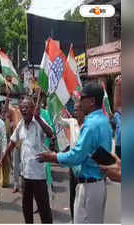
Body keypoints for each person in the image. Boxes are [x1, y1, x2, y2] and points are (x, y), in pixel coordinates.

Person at [38, 82, 113, 223]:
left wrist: (53, 157)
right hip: (93, 183)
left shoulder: (91, 124)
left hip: (91, 185)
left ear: (91, 101)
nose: (78, 102)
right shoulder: (102, 121)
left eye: (82, 98)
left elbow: (76, 156)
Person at [0, 97, 54, 224]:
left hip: (38, 176)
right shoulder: (21, 124)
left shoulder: (39, 121)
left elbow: (50, 133)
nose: (23, 110)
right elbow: (13, 141)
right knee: (26, 208)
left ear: (33, 109)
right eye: (22, 107)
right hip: (25, 175)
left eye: (26, 107)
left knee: (44, 209)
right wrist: (4, 156)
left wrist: (38, 118)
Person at [57, 99, 84, 223]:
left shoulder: (88, 125)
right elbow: (59, 121)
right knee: (73, 195)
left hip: (84, 167)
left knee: (82, 196)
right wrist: (56, 107)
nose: (75, 112)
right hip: (72, 166)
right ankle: (74, 219)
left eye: (78, 109)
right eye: (75, 109)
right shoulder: (72, 122)